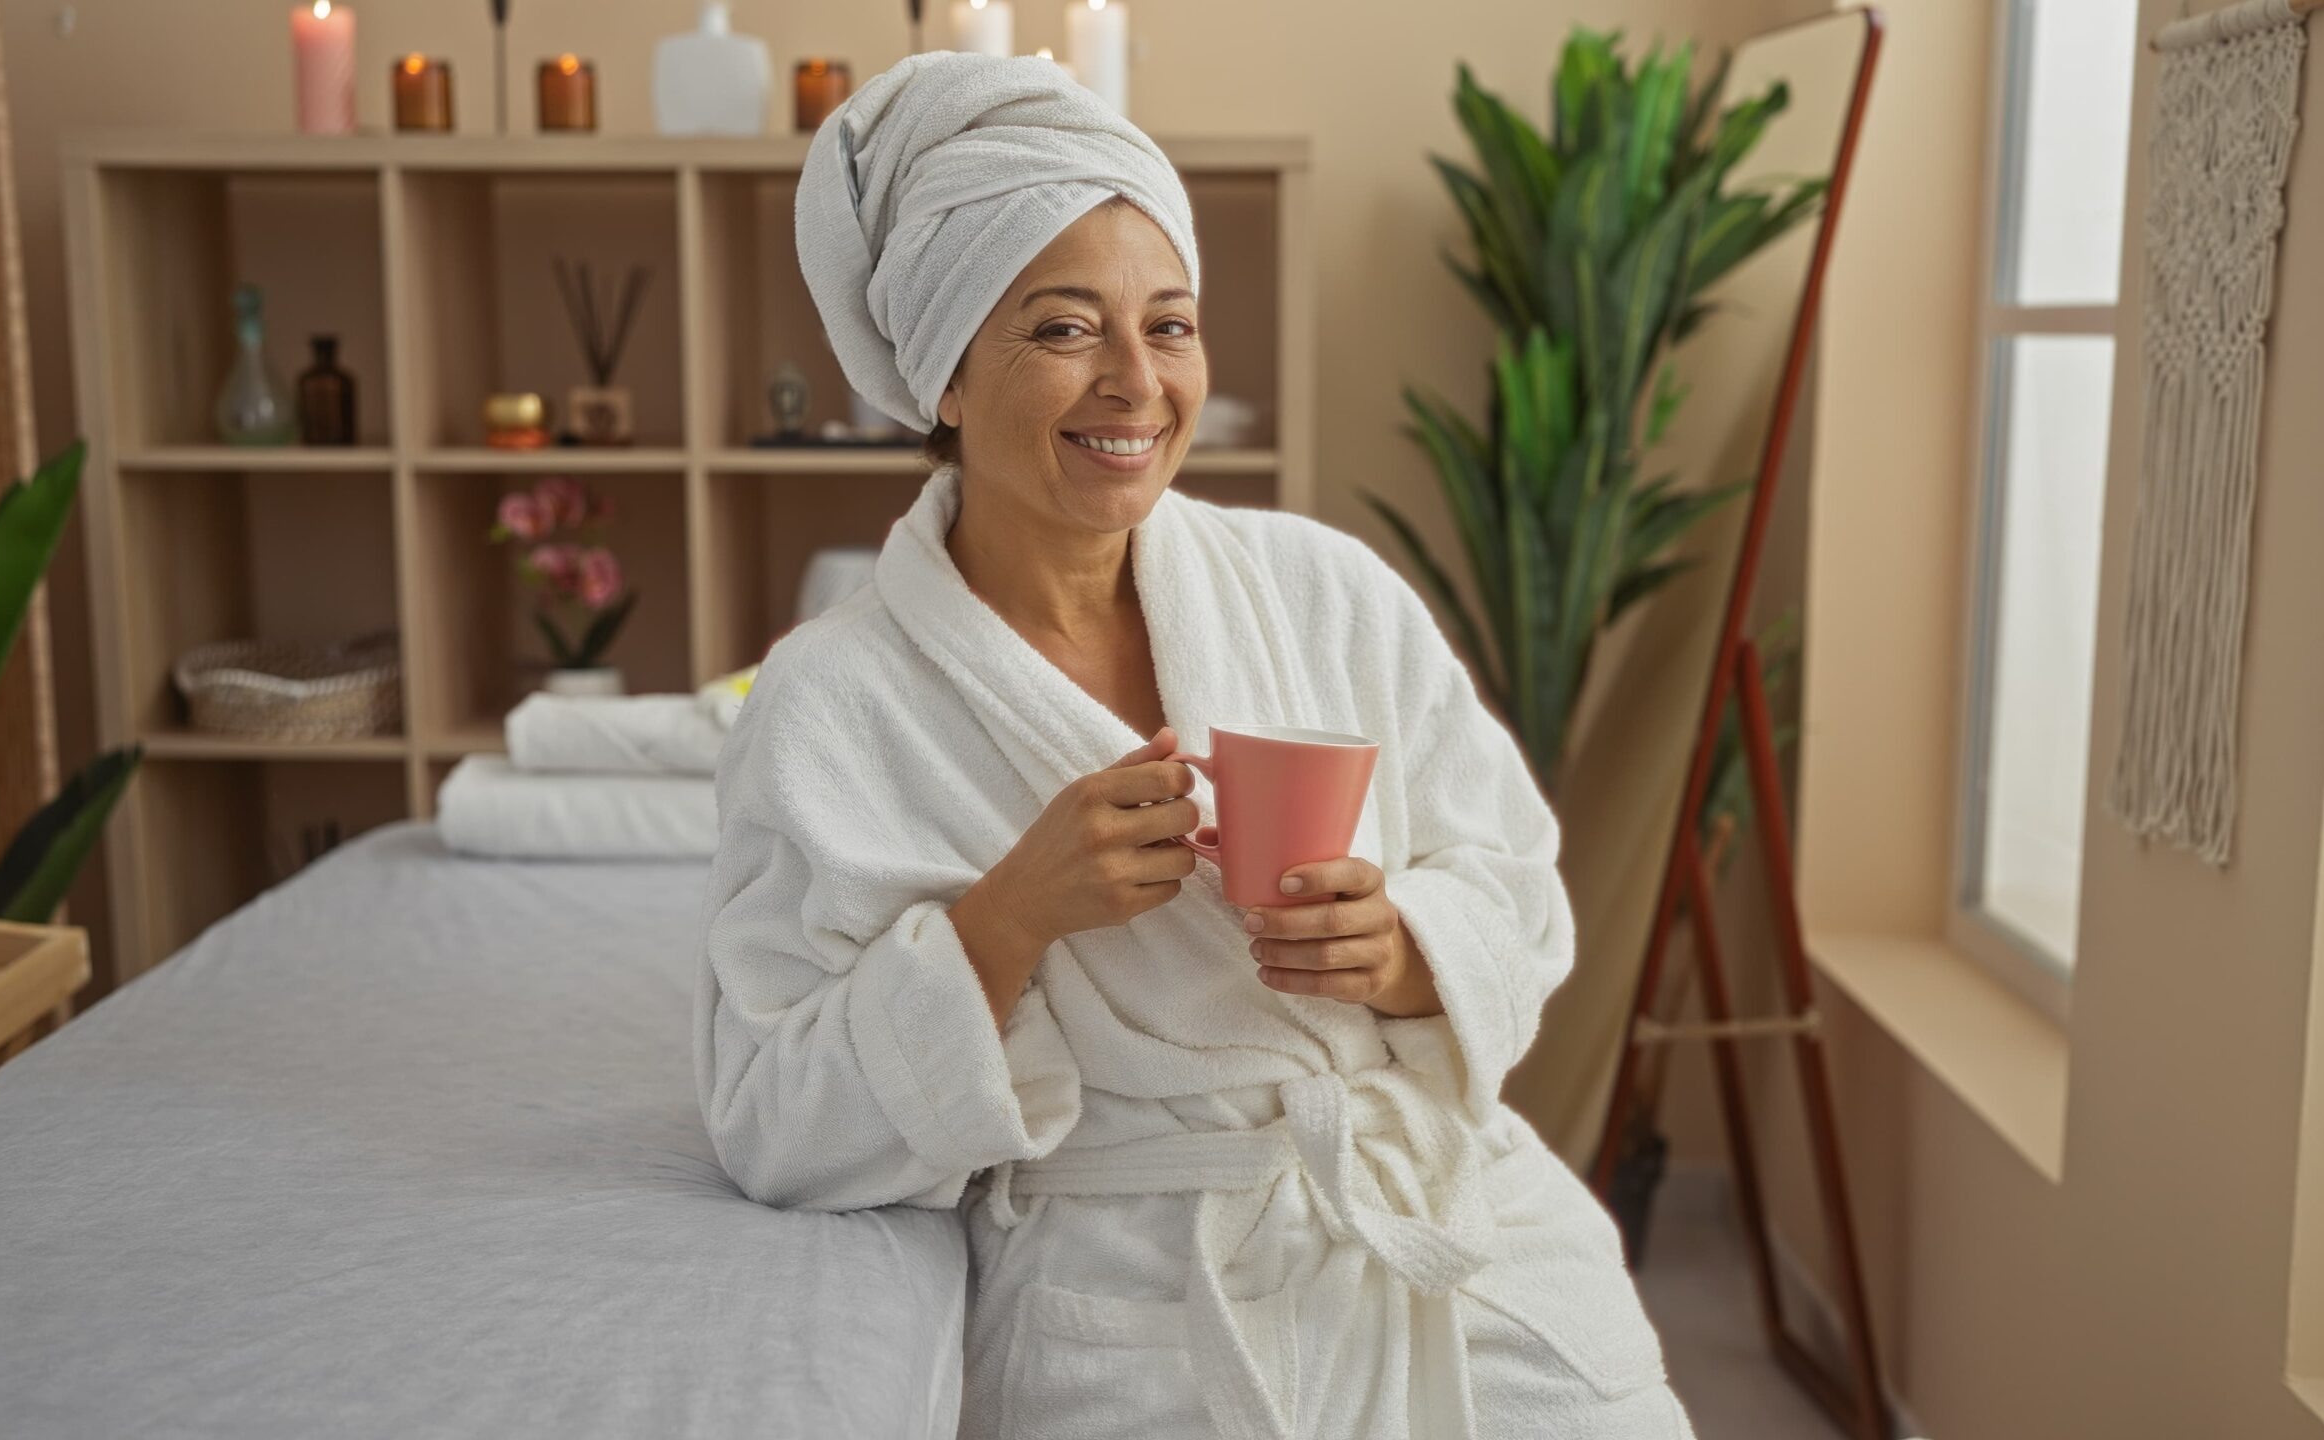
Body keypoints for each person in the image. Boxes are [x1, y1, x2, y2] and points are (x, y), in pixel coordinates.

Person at [694, 50, 1695, 1440]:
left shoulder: (1319, 587)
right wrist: (1004, 921)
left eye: (1169, 326)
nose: (1136, 384)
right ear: (944, 380)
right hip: (1135, 1292)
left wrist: (1405, 953)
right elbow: (767, 1115)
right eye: (1060, 330)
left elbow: (1511, 879)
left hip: (1430, 1217)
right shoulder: (831, 704)